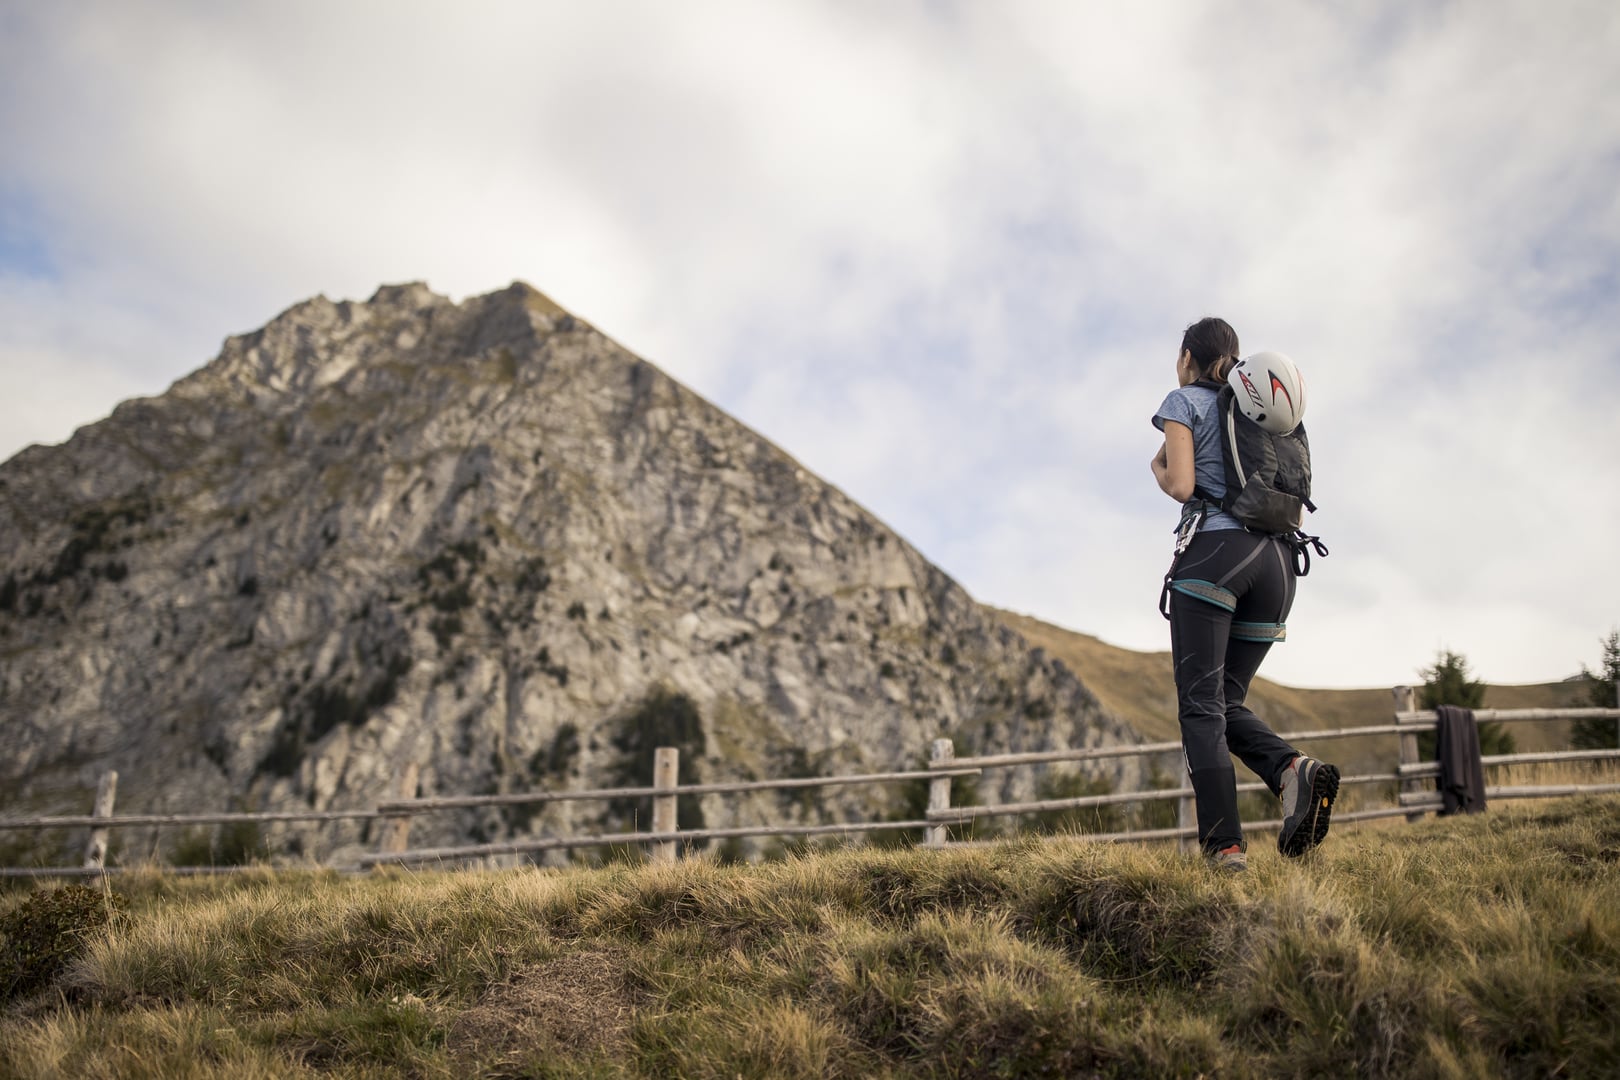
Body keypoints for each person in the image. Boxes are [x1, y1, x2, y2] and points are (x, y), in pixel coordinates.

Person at [1150, 316, 1339, 871]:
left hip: (1217, 560)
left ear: (1187, 356)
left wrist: (1157, 469)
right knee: (1225, 702)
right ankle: (1292, 772)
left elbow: (1182, 484)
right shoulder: (1261, 410)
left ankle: (1224, 849)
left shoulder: (1184, 400)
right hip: (1279, 567)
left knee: (1201, 707)